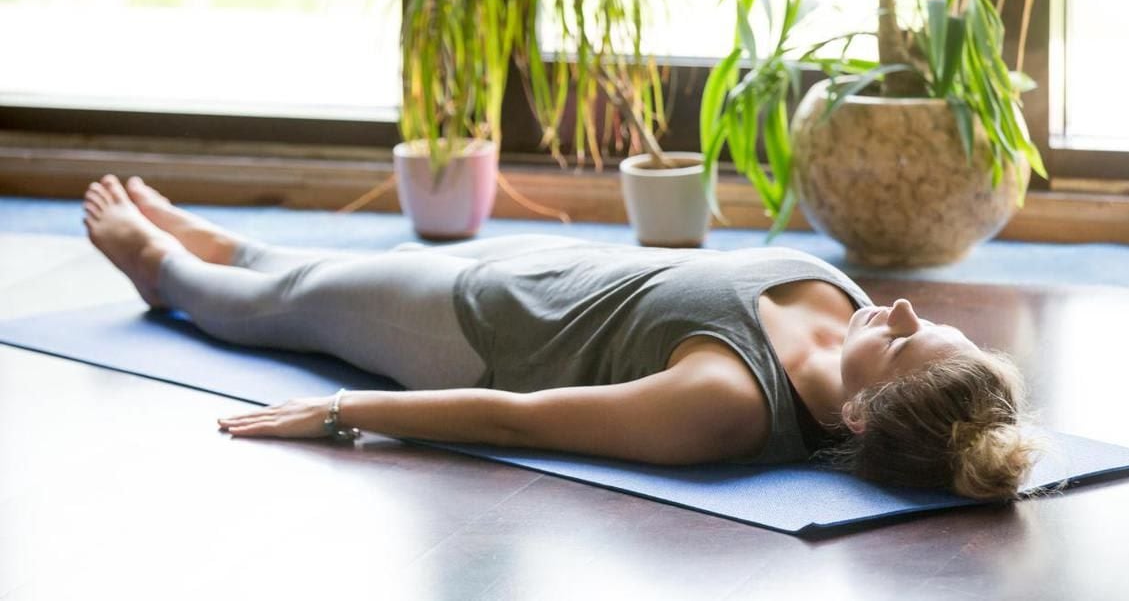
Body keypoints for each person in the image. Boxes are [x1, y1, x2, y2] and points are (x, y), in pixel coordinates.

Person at [82, 175, 1036, 500]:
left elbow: (526, 419)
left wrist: (342, 411)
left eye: (908, 342)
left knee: (272, 304)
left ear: (865, 416)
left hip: (471, 329)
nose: (902, 312)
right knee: (309, 264)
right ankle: (219, 237)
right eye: (926, 319)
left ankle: (159, 266)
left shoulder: (728, 403)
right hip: (546, 266)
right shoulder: (855, 314)